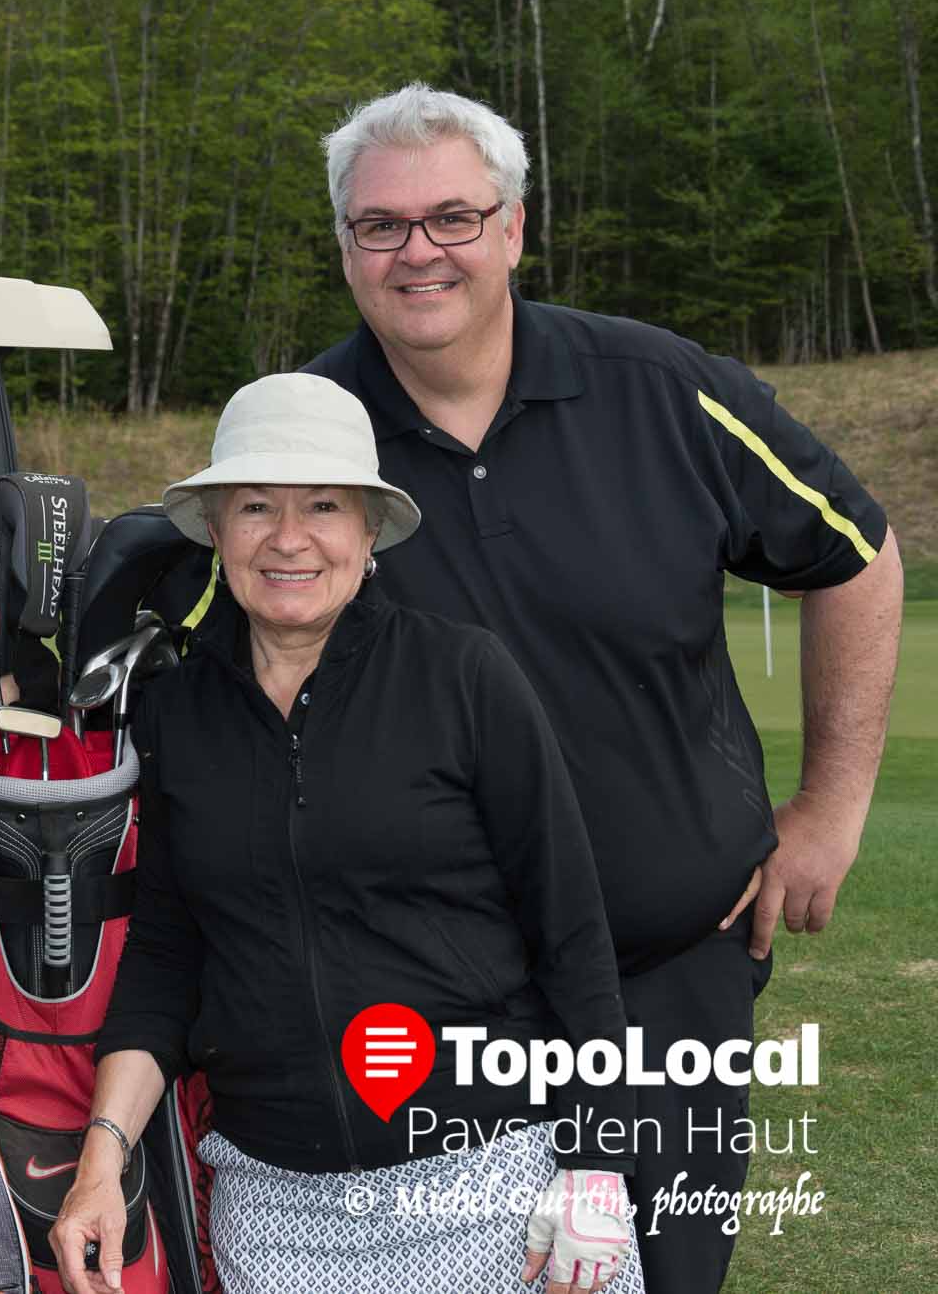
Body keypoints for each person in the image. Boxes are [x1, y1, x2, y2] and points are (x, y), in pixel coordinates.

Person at [302, 84, 901, 1293]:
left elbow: (858, 552)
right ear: (345, 247)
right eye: (381, 226)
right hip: (426, 1004)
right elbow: (190, 635)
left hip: (668, 974)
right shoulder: (311, 433)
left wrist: (829, 809)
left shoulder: (659, 386)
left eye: (452, 217)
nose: (418, 250)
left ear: (513, 228)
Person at [50, 374, 643, 1294]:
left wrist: (599, 1165)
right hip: (274, 1203)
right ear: (215, 528)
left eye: (323, 505)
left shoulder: (463, 677)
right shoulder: (179, 713)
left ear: (369, 530)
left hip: (488, 1182)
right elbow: (168, 955)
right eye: (256, 506)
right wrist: (100, 1167)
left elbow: (574, 936)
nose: (289, 539)